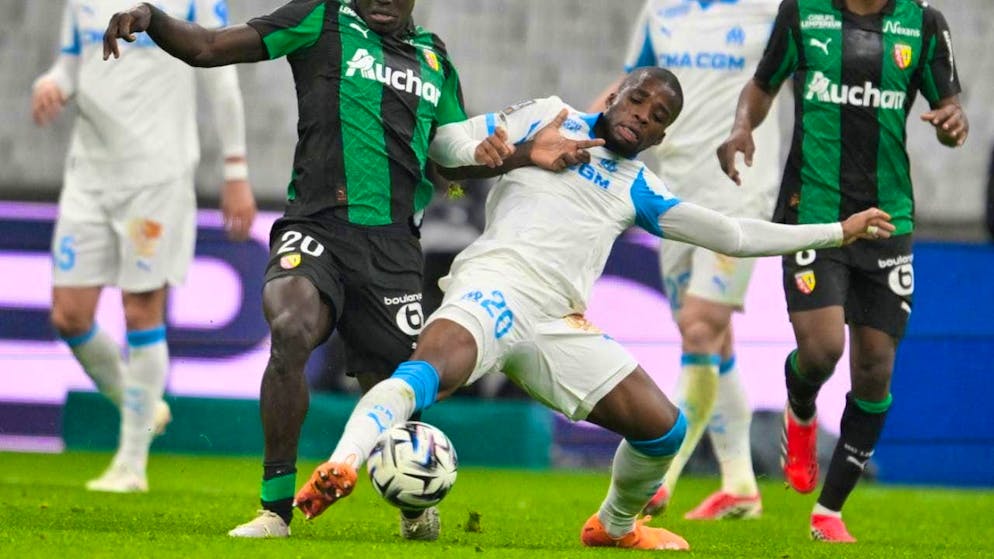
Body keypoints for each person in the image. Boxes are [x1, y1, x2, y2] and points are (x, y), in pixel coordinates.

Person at [290, 67, 894, 551]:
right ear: (617, 92)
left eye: (657, 119)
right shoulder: (547, 115)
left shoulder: (638, 187)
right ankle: (341, 465)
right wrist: (518, 150)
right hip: (496, 286)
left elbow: (732, 234)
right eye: (637, 101)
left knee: (664, 430)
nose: (641, 118)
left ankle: (615, 524)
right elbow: (446, 143)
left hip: (559, 322)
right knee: (423, 373)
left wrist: (838, 232)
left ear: (661, 138)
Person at [102, 0, 599, 540]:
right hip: (315, 228)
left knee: (393, 390)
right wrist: (154, 18)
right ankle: (275, 510)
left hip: (392, 252)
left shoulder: (434, 57)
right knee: (290, 330)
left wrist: (517, 152)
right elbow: (209, 47)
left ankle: (415, 505)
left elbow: (451, 151)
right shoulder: (320, 18)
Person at [717, 0, 968, 543]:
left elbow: (950, 110)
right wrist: (743, 128)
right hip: (814, 212)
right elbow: (762, 84)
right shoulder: (803, 13)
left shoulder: (923, 23)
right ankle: (801, 410)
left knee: (876, 365)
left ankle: (829, 511)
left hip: (887, 219)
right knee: (822, 349)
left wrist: (953, 124)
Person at [32, 0, 256, 494]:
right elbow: (72, 66)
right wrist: (51, 86)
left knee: (141, 310)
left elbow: (222, 80)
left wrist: (235, 170)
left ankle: (131, 465)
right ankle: (141, 406)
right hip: (88, 176)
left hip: (157, 175)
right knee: (68, 316)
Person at [590, 0, 783, 521]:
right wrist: (581, 131)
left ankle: (661, 479)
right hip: (673, 197)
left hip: (740, 191)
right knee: (707, 336)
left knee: (700, 325)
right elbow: (633, 82)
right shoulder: (661, 9)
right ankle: (741, 484)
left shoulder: (773, 9)